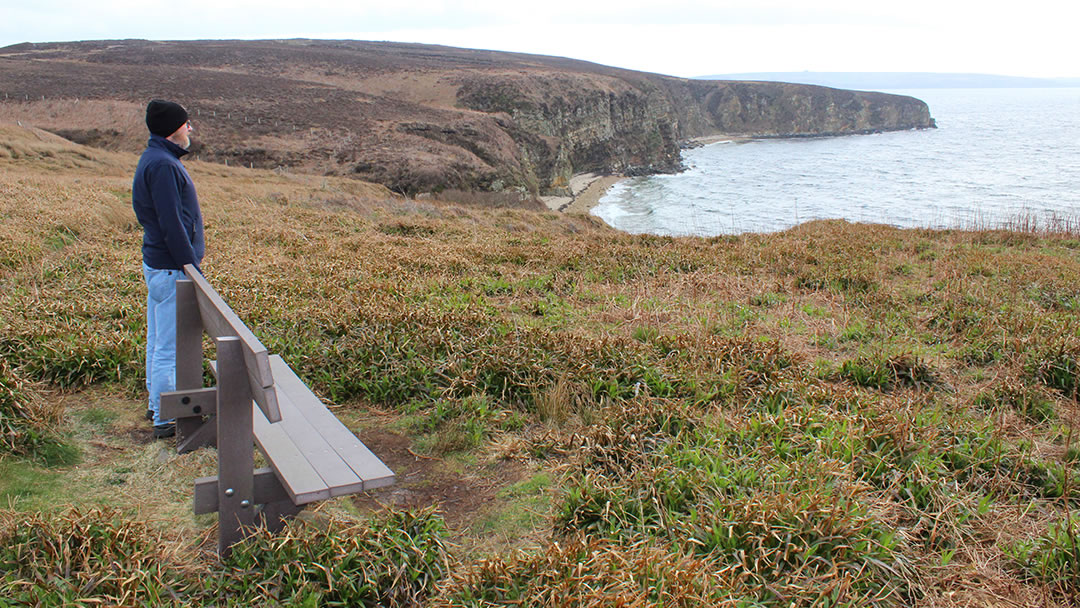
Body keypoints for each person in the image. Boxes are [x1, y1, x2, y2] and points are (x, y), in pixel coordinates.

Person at [132, 100, 204, 439]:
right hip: (172, 269)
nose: (191, 128)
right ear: (174, 128)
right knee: (168, 348)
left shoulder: (157, 159)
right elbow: (171, 223)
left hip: (161, 266)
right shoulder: (163, 165)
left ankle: (155, 404)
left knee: (157, 340)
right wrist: (190, 267)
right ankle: (165, 419)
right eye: (186, 123)